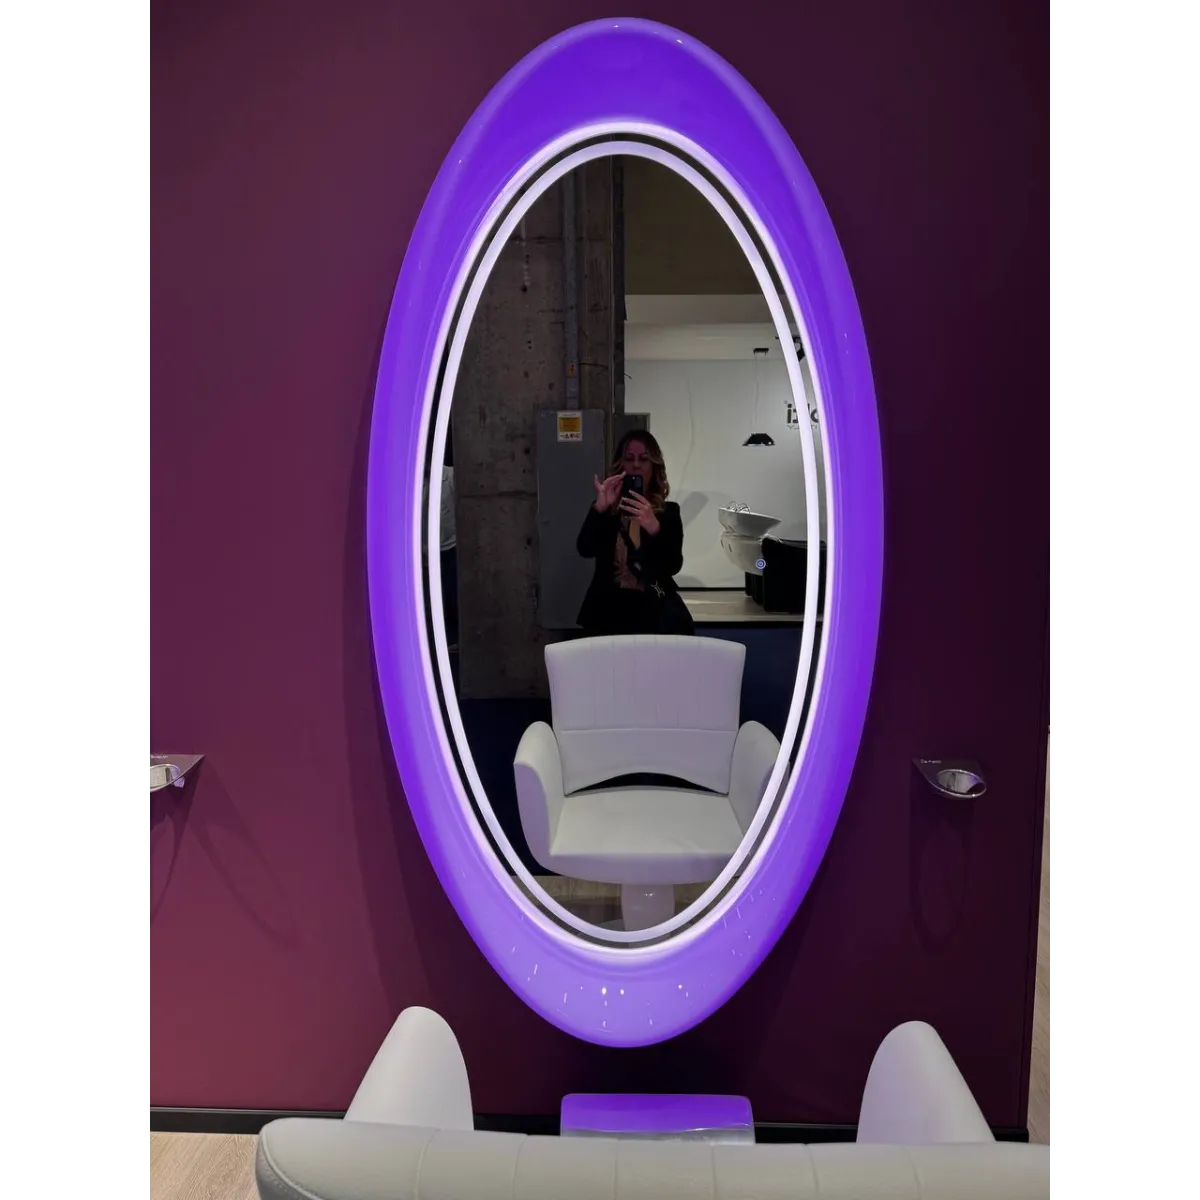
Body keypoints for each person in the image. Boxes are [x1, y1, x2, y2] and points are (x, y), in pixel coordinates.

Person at [575, 429, 694, 636]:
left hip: (651, 612)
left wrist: (654, 528)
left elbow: (673, 565)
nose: (636, 465)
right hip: (608, 612)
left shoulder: (668, 513)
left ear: (654, 466)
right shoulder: (608, 509)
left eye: (644, 459)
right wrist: (599, 509)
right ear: (620, 465)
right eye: (629, 458)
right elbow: (585, 548)